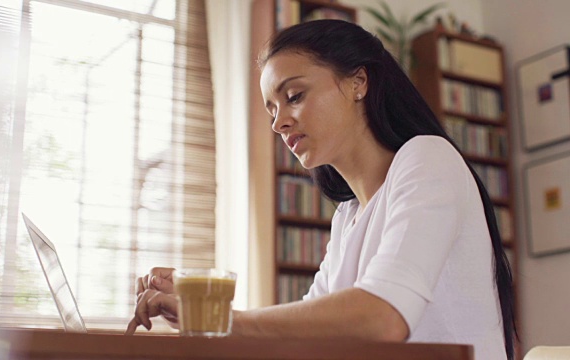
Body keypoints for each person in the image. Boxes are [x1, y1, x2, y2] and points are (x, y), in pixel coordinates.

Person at [125, 20, 516, 360]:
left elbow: (382, 317)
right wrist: (197, 302)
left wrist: (222, 321)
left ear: (358, 82)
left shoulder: (428, 158)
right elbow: (310, 326)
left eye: (293, 96)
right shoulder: (348, 216)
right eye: (271, 110)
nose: (278, 123)